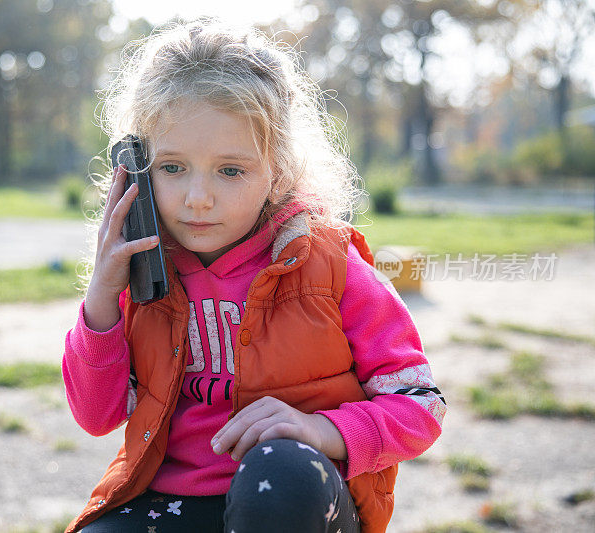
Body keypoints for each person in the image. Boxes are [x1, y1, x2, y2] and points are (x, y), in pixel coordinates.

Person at [62, 17, 446, 533]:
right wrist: (102, 299)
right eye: (172, 167)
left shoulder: (330, 265)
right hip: (172, 501)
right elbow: (96, 416)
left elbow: (421, 407)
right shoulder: (145, 272)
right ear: (136, 170)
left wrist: (320, 430)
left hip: (296, 498)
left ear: (279, 171)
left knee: (278, 473)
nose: (198, 198)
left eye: (230, 170)